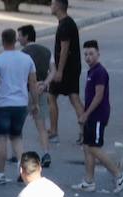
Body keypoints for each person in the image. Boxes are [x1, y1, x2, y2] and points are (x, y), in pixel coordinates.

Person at [0, 29, 37, 184]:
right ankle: (24, 171)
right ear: (15, 40)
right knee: (17, 138)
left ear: (2, 41)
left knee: (1, 138)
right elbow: (33, 83)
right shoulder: (27, 59)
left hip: (3, 105)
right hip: (21, 105)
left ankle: (0, 173)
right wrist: (35, 103)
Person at [72, 40, 123, 193]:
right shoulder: (91, 72)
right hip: (91, 115)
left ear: (98, 54)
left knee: (94, 147)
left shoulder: (99, 72)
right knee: (87, 147)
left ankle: (119, 175)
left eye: (91, 54)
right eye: (85, 54)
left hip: (97, 115)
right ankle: (89, 181)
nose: (88, 57)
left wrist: (86, 114)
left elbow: (99, 95)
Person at [44, 0, 82, 141]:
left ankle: (54, 131)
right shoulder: (66, 23)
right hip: (71, 67)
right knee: (73, 97)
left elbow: (64, 50)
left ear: (59, 6)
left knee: (52, 96)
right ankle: (85, 132)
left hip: (66, 68)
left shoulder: (65, 25)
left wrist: (59, 71)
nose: (51, 6)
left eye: (52, 3)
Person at [17, 25, 53, 168]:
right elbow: (53, 71)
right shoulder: (46, 51)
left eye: (20, 35)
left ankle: (17, 155)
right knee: (41, 125)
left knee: (18, 125)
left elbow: (21, 75)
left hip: (26, 93)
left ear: (26, 37)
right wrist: (45, 83)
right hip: (41, 91)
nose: (18, 38)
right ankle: (46, 153)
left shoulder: (22, 54)